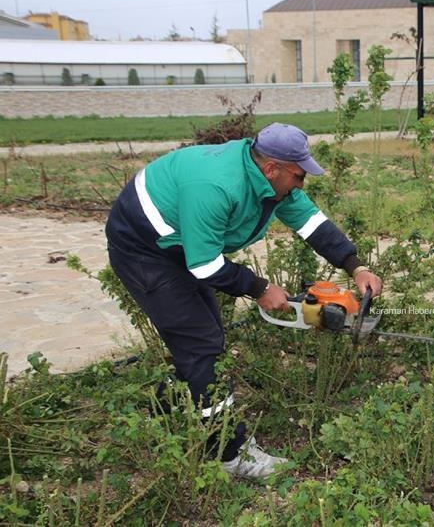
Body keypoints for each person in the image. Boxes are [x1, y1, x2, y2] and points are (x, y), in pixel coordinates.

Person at [104, 122, 383, 478]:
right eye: (299, 176)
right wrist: (259, 288)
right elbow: (204, 265)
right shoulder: (217, 186)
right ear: (272, 168)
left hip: (183, 245)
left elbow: (312, 223)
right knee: (201, 343)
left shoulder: (270, 181)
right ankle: (229, 455)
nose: (301, 184)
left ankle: (168, 413)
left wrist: (355, 266)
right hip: (145, 249)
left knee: (207, 337)